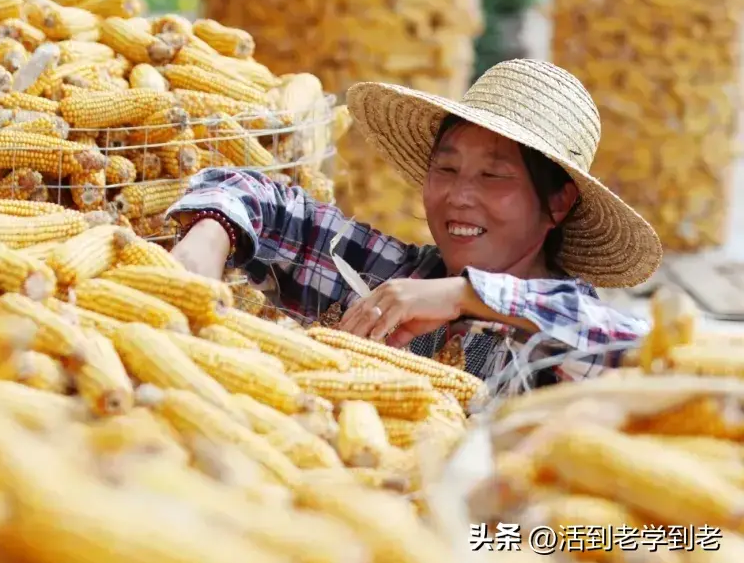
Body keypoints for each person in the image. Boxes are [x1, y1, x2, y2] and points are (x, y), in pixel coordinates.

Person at [165, 59, 661, 392]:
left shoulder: (565, 337)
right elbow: (255, 195)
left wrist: (465, 297)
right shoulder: (390, 277)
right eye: (445, 169)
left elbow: (643, 348)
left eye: (493, 175)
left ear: (558, 203)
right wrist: (210, 236)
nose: (459, 197)